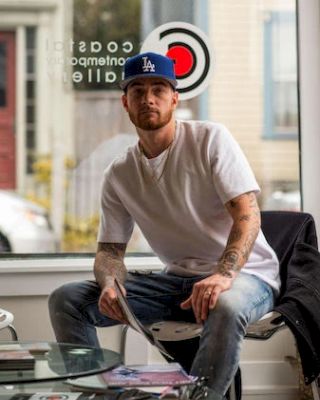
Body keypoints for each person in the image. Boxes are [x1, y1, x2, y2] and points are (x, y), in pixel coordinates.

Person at [49, 52, 280, 399]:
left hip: (247, 277)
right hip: (177, 283)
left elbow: (248, 216)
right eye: (138, 91)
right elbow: (109, 253)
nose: (148, 98)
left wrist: (223, 275)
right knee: (67, 299)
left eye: (158, 88)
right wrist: (111, 283)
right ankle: (99, 395)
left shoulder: (210, 140)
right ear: (125, 103)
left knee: (225, 304)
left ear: (175, 97)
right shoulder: (119, 174)